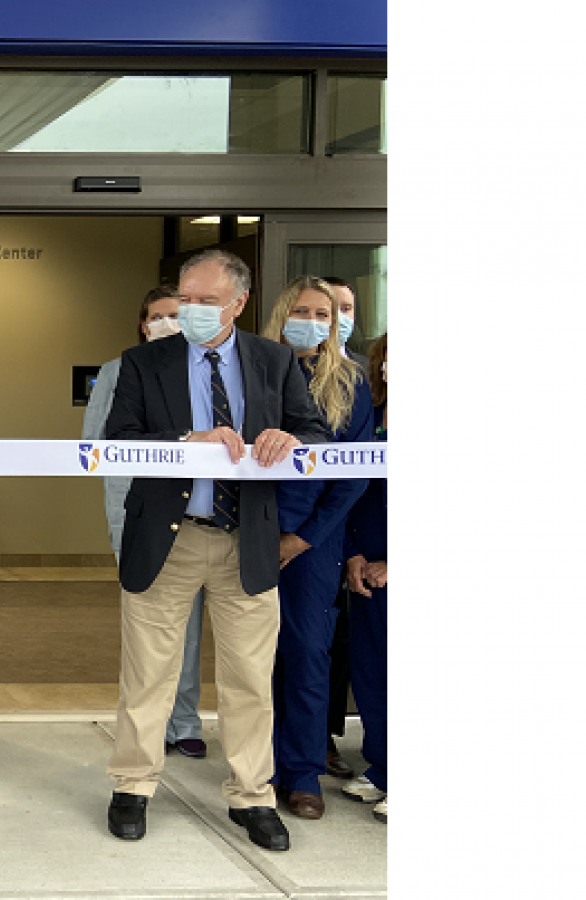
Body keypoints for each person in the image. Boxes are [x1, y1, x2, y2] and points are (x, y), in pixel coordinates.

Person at [101, 248, 328, 852]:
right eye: (185, 297)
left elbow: (315, 432)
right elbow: (117, 441)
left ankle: (253, 795)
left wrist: (288, 434)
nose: (191, 310)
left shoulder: (274, 361)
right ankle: (133, 785)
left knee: (250, 679)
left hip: (246, 542)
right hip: (166, 541)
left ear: (238, 303)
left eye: (206, 300)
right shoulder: (144, 362)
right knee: (148, 674)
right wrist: (185, 441)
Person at [82, 285, 210, 760]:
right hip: (134, 509)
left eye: (176, 315)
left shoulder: (204, 373)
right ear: (142, 324)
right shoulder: (119, 372)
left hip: (191, 512)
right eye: (157, 316)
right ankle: (147, 728)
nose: (166, 324)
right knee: (146, 625)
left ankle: (185, 720)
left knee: (190, 622)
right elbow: (95, 444)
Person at [262, 276, 373, 821]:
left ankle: (302, 773)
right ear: (281, 314)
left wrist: (303, 536)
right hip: (254, 535)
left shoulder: (351, 382)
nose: (312, 320)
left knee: (308, 655)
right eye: (301, 310)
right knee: (253, 659)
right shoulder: (253, 369)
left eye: (323, 313)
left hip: (315, 542)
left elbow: (354, 474)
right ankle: (260, 768)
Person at [340, 333, 387, 824]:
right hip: (365, 569)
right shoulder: (369, 421)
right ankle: (382, 767)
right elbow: (350, 490)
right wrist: (352, 554)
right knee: (371, 671)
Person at [318, 274, 359, 780]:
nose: (335, 316)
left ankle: (326, 737)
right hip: (312, 532)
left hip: (354, 533)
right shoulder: (284, 369)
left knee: (340, 643)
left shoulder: (366, 377)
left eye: (343, 308)